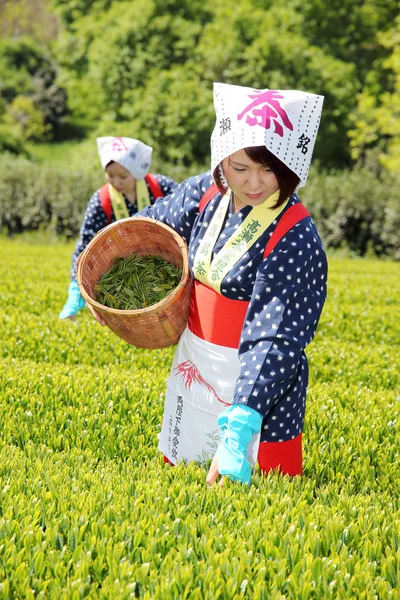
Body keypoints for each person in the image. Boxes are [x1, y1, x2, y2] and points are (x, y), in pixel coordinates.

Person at [91, 83, 328, 486]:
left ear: (290, 166)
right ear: (223, 160)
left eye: (269, 169)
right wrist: (103, 281)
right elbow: (152, 228)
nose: (254, 183)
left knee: (262, 500)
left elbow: (277, 334)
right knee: (182, 475)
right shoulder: (208, 192)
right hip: (196, 359)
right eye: (240, 168)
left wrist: (241, 424)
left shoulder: (294, 234)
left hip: (257, 379)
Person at [59, 136, 178, 320]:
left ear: (138, 171)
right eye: (110, 175)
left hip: (163, 258)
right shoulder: (101, 200)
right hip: (125, 266)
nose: (116, 182)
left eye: (123, 176)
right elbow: (85, 244)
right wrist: (76, 287)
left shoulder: (161, 186)